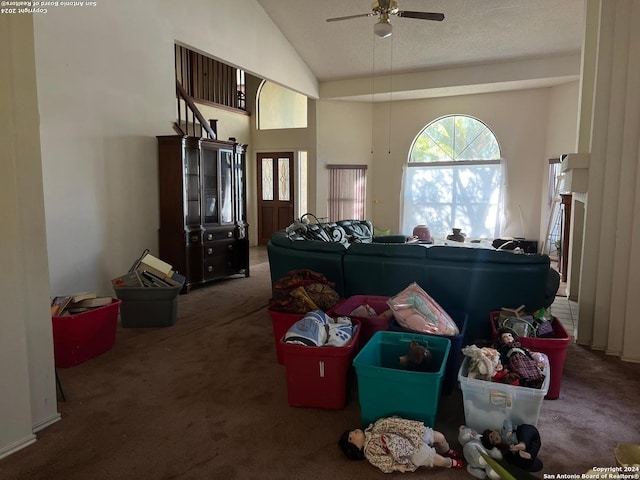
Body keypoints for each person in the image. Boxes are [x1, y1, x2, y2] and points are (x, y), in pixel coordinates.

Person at [338, 416, 463, 473]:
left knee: (440, 437)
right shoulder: (370, 453)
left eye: (351, 433)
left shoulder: (373, 428)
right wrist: (396, 467)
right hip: (410, 452)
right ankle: (450, 462)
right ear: (357, 449)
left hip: (411, 433)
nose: (353, 433)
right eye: (350, 438)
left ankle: (447, 450)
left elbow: (390, 423)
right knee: (440, 461)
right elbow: (383, 463)